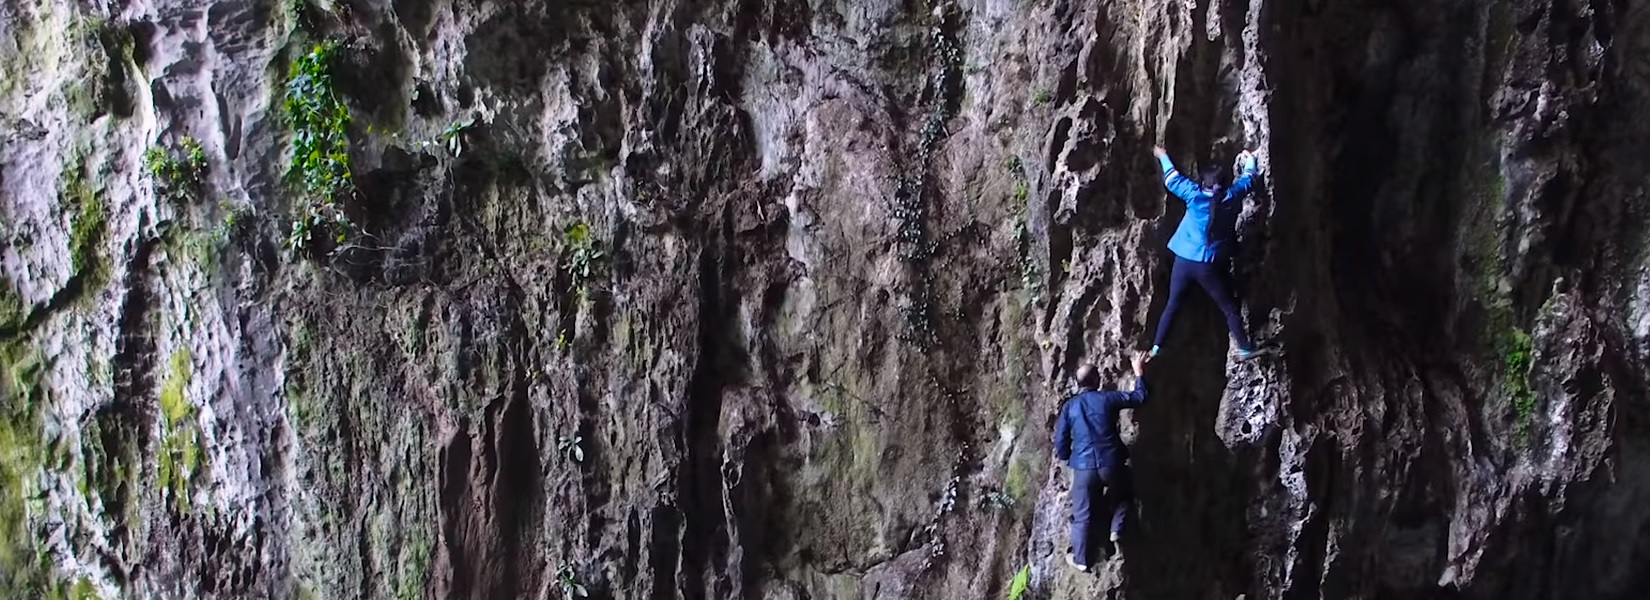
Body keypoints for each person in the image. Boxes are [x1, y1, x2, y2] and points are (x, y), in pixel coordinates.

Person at [1148, 145, 1265, 362]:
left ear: (1203, 182)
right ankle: (1245, 348)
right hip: (1207, 264)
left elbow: (1172, 178)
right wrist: (1250, 159)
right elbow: (1249, 178)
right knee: (1229, 307)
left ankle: (1156, 347)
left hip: (1183, 259)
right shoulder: (1231, 196)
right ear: (1224, 183)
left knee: (1173, 303)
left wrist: (1163, 155)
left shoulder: (1193, 195)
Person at [1053, 354, 1147, 571]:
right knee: (1125, 494)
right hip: (1111, 464)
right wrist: (1139, 371)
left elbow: (1061, 442)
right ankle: (1116, 528)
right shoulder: (1107, 398)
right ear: (1097, 381)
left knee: (1082, 514)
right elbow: (1140, 397)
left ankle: (1082, 560)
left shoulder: (1069, 407)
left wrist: (1068, 457)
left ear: (1078, 384)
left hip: (1084, 469)